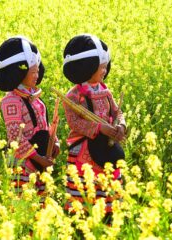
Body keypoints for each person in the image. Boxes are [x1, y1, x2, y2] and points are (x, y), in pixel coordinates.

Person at [61, 34, 126, 219]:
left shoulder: (105, 91)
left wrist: (121, 124)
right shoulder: (74, 96)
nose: (104, 71)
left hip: (107, 146)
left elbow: (116, 112)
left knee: (109, 194)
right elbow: (74, 122)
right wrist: (99, 128)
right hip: (83, 151)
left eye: (106, 67)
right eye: (101, 67)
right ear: (87, 67)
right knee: (83, 196)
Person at [0, 36, 60, 203]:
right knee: (24, 206)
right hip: (23, 165)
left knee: (42, 206)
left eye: (38, 70)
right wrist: (40, 159)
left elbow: (45, 126)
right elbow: (15, 137)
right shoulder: (11, 101)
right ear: (19, 73)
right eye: (32, 71)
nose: (36, 75)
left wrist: (55, 143)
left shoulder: (36, 99)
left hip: (42, 161)